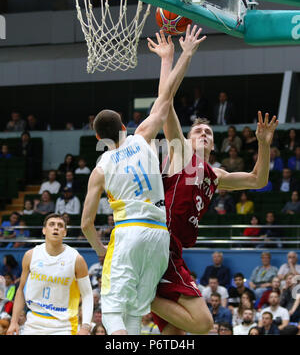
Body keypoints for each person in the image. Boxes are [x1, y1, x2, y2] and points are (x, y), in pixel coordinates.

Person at [148, 26, 278, 335]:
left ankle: (141, 292)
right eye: (198, 131)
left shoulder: (215, 175)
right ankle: (139, 293)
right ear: (187, 140)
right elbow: (164, 101)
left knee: (175, 334)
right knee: (205, 324)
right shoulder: (179, 154)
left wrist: (263, 142)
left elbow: (258, 180)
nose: (204, 133)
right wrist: (173, 58)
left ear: (215, 145)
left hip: (176, 249)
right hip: (161, 243)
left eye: (209, 132)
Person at [81, 27, 206, 335]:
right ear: (124, 126)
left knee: (112, 310)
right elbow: (166, 96)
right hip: (159, 237)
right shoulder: (141, 138)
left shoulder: (101, 167)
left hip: (129, 233)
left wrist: (99, 248)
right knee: (137, 310)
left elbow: (86, 222)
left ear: (98, 137)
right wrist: (177, 55)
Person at [6, 213, 94, 335]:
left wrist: (85, 326)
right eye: (51, 224)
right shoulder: (30, 255)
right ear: (44, 230)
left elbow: (87, 294)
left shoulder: (76, 259)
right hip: (34, 322)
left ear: (65, 232)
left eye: (60, 225)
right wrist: (14, 321)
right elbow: (20, 290)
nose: (56, 228)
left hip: (64, 326)